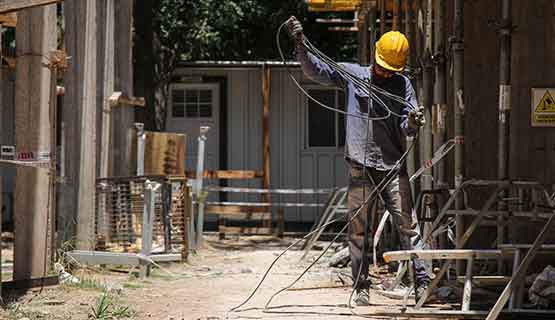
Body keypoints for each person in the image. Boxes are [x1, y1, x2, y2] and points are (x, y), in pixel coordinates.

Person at [286, 16, 430, 306]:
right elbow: (315, 70)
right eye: (383, 67)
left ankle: (425, 284)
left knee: (409, 228)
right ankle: (361, 287)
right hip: (360, 166)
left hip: (392, 168)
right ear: (375, 57)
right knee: (359, 230)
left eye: (391, 70)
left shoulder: (404, 87)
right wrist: (300, 44)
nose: (385, 74)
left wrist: (413, 121)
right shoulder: (352, 75)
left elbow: (407, 127)